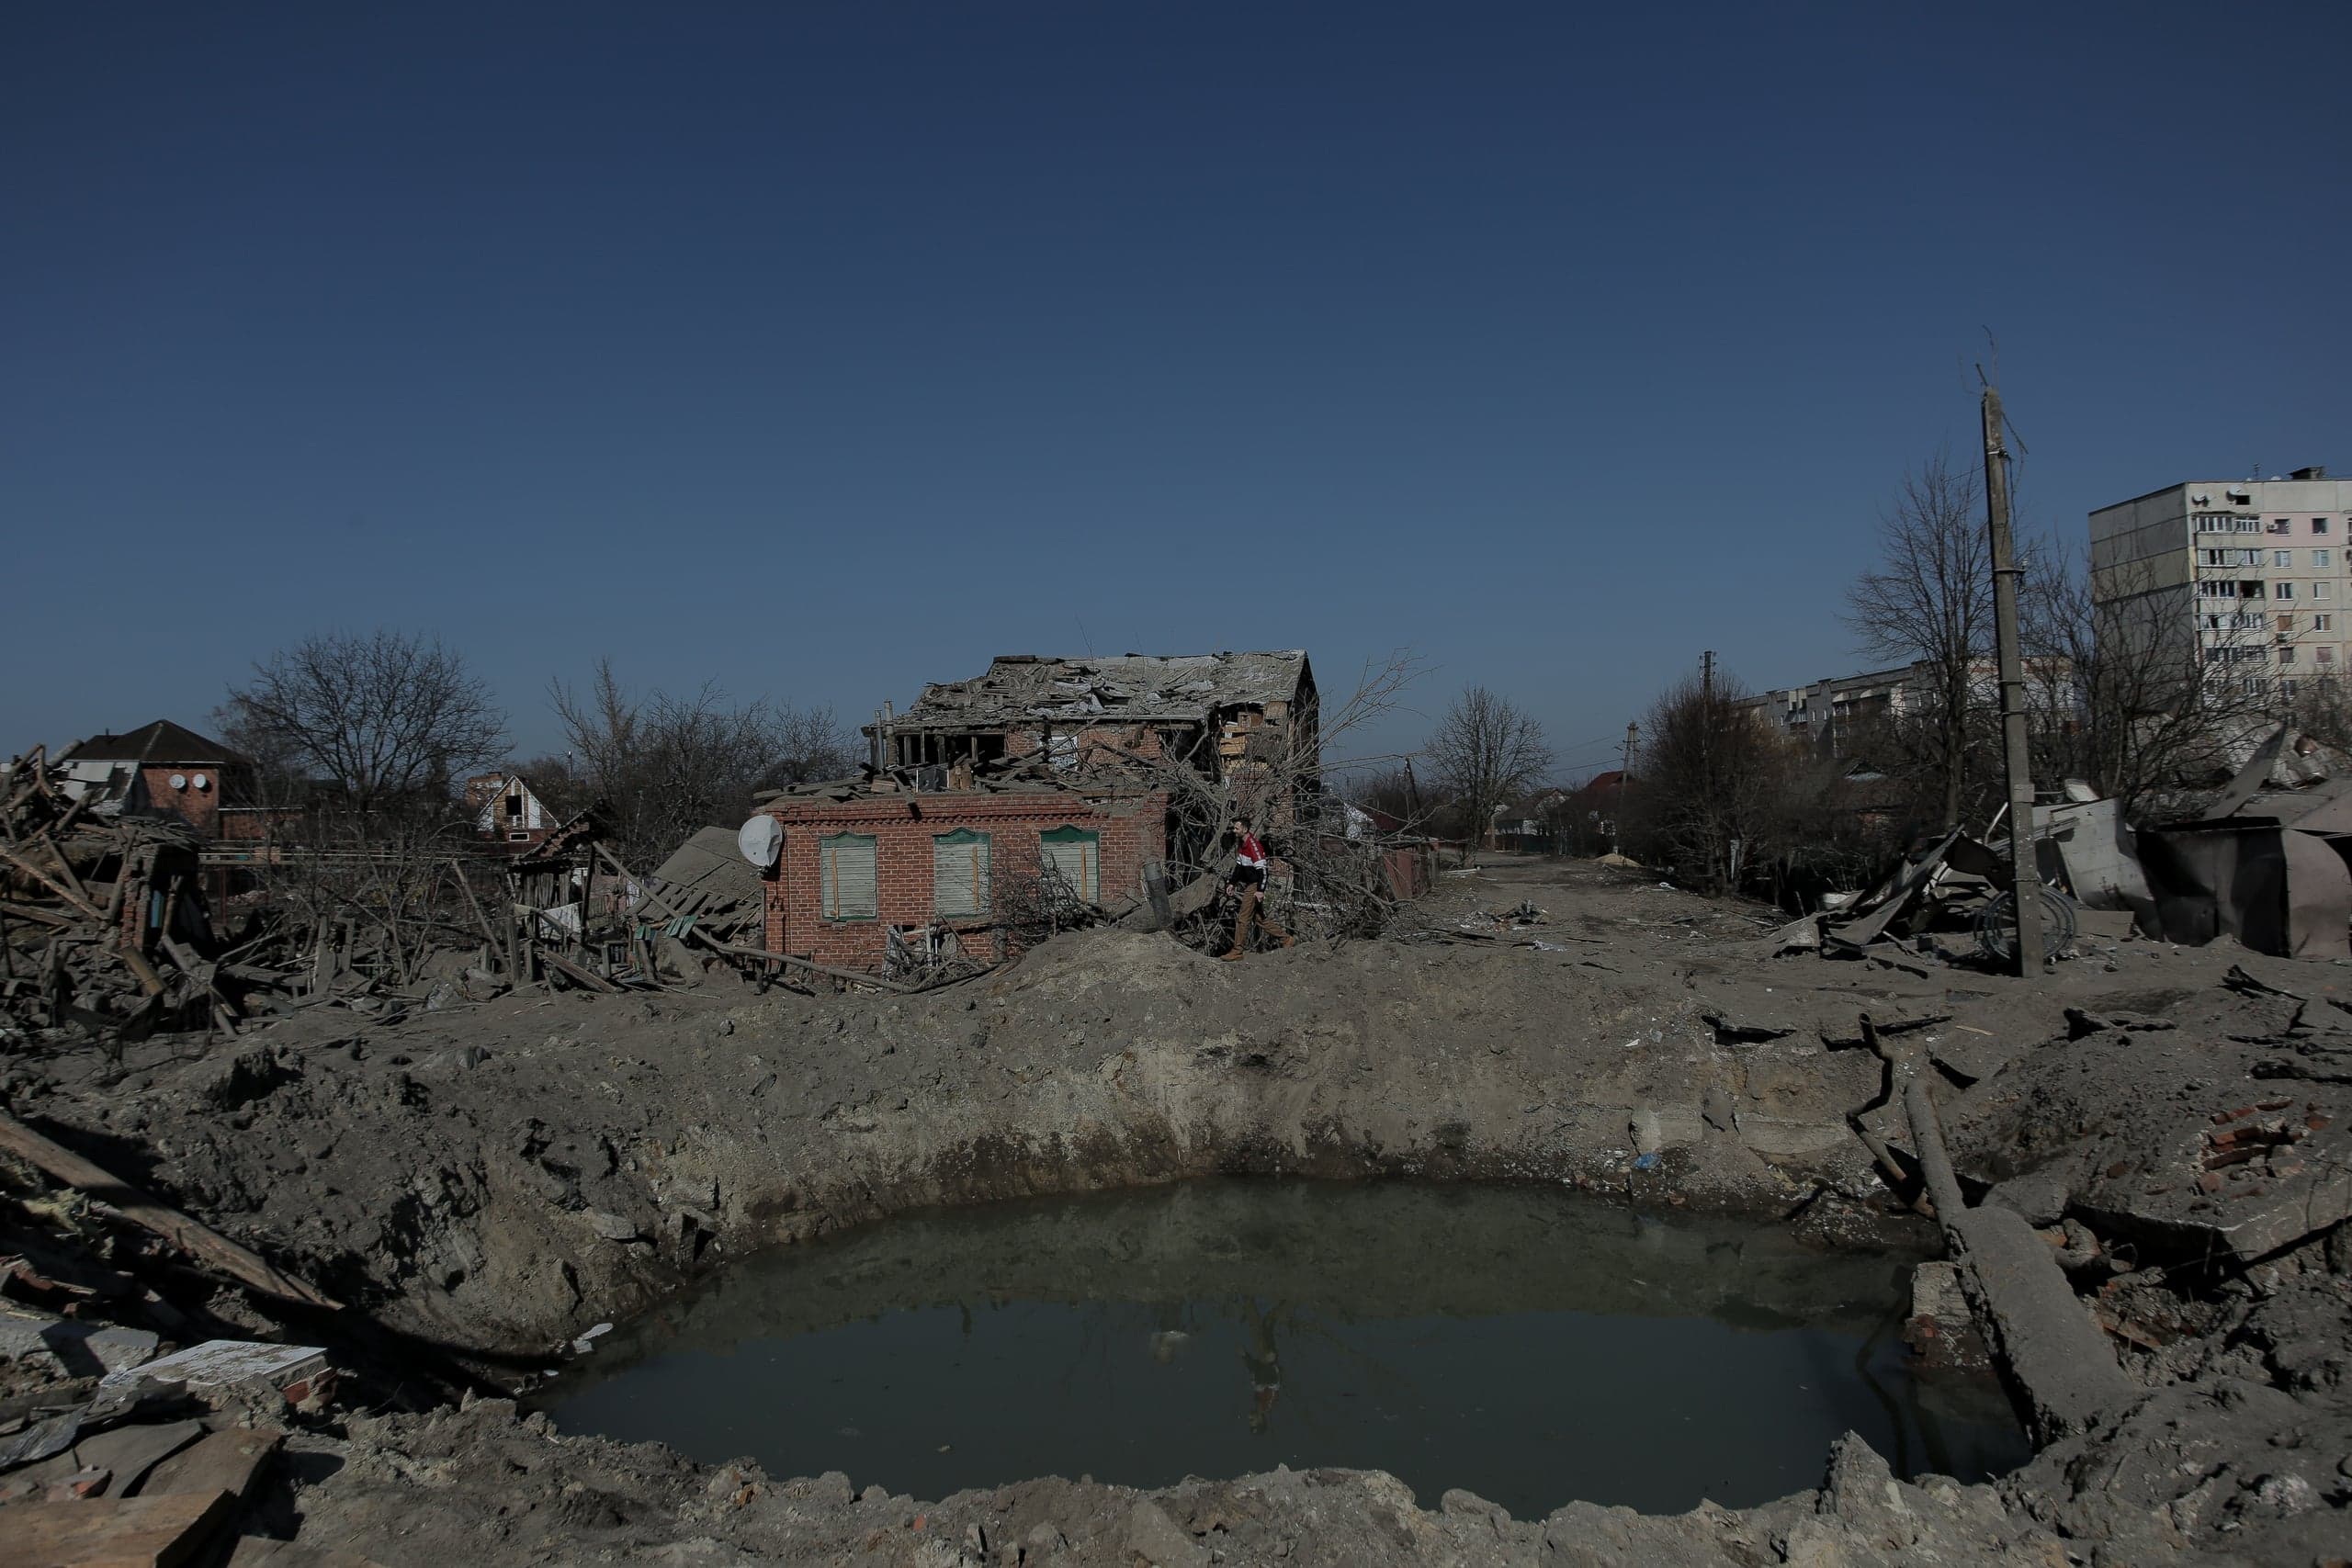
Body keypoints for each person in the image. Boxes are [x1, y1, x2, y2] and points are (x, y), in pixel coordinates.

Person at [1223, 820, 1293, 960]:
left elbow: (1263, 871)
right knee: (1259, 919)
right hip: (1250, 884)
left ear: (1245, 829)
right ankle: (1286, 939)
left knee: (1243, 918)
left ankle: (1237, 951)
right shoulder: (1242, 845)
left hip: (1255, 885)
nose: (1234, 831)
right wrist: (1232, 883)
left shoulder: (1254, 846)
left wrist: (1260, 890)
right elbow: (1239, 867)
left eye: (1237, 828)